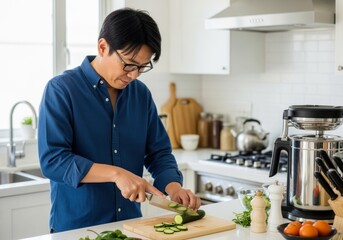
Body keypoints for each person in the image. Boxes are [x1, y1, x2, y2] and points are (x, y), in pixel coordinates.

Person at [38, 8, 200, 232]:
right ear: (103, 47)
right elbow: (53, 161)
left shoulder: (140, 95)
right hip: (77, 231)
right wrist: (116, 174)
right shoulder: (61, 90)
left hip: (130, 228)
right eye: (129, 64)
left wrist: (174, 188)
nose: (134, 75)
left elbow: (158, 153)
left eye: (143, 66)